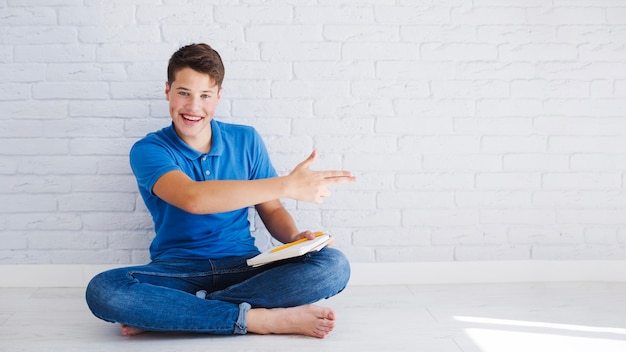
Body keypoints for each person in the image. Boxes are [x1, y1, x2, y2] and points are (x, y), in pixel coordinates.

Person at [85, 43, 356, 339]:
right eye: (183, 93)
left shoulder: (246, 139)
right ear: (167, 91)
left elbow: (273, 209)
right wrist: (288, 184)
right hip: (179, 271)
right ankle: (259, 320)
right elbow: (194, 199)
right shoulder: (149, 150)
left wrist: (294, 239)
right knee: (104, 290)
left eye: (205, 95)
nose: (193, 107)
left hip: (245, 266)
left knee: (334, 264)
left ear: (218, 97)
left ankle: (176, 314)